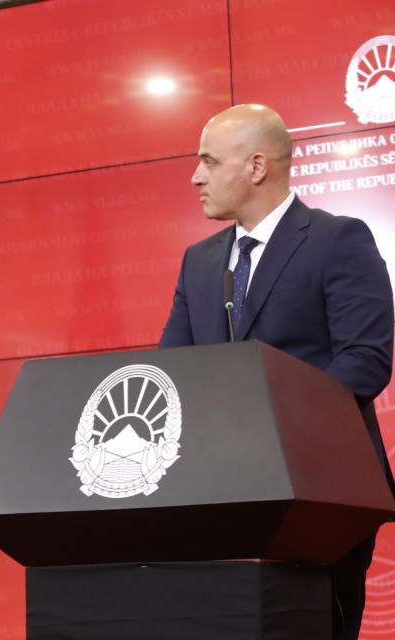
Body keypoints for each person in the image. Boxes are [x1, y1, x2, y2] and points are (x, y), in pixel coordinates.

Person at [159, 103, 394, 640]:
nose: (196, 176)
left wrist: (263, 428)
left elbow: (364, 362)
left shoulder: (339, 240)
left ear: (257, 167)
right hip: (221, 496)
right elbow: (174, 374)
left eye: (209, 162)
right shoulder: (198, 260)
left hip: (321, 495)